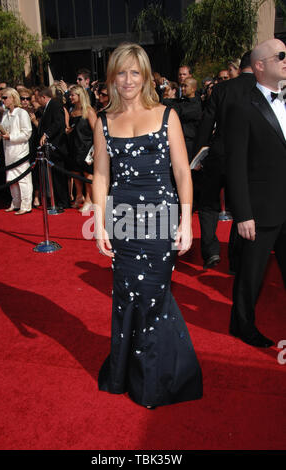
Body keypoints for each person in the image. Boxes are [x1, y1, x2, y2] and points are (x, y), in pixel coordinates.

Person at [92, 43, 202, 409]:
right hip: (122, 218)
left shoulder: (166, 115)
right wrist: (100, 221)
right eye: (120, 72)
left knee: (153, 297)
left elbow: (183, 172)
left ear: (145, 76)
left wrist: (186, 221)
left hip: (160, 218)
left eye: (134, 72)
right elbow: (101, 175)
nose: (127, 80)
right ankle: (124, 371)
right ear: (112, 77)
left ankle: (154, 380)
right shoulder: (103, 120)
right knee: (125, 296)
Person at [225, 38, 286, 348]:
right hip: (261, 210)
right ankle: (242, 325)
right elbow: (235, 165)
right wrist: (243, 213)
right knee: (251, 276)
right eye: (281, 56)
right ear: (260, 65)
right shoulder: (242, 107)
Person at [193, 51, 256, 270]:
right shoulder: (260, 89)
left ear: (240, 67)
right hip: (248, 156)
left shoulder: (221, 89)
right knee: (242, 206)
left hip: (218, 154)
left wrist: (198, 154)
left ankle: (210, 251)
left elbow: (206, 123)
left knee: (208, 204)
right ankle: (235, 260)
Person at [0, 88, 32, 215]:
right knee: (11, 179)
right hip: (9, 151)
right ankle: (16, 202)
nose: (3, 100)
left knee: (23, 179)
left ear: (13, 98)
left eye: (5, 97)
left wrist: (11, 137)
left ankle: (26, 204)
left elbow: (27, 133)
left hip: (20, 151)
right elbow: (2, 131)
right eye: (2, 97)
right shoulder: (6, 114)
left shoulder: (22, 113)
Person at [37, 87, 70, 210]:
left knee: (59, 177)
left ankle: (63, 202)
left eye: (38, 99)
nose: (38, 101)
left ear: (43, 97)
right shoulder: (47, 107)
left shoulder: (55, 105)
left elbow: (58, 123)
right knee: (54, 177)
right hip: (50, 148)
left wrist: (46, 134)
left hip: (57, 147)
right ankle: (58, 201)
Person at [66, 85, 97, 211]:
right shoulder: (72, 111)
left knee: (87, 175)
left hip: (86, 147)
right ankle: (79, 196)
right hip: (74, 146)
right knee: (75, 172)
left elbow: (96, 130)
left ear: (80, 96)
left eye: (73, 95)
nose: (70, 97)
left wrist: (95, 148)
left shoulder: (89, 111)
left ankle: (89, 200)